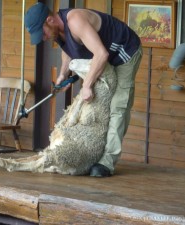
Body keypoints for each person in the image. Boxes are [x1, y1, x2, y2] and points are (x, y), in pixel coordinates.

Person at [25, 3, 142, 177]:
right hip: (104, 57)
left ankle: (107, 162)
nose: (43, 37)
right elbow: (68, 50)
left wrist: (86, 85)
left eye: (43, 32)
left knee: (118, 105)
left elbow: (101, 54)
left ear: (49, 20)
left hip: (124, 52)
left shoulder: (75, 21)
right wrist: (63, 74)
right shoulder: (57, 31)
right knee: (97, 105)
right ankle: (92, 155)